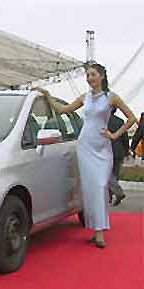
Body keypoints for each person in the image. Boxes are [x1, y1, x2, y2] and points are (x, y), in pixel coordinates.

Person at [33, 63, 136, 248]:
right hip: (85, 146)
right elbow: (63, 110)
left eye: (93, 74)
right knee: (91, 189)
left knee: (101, 185)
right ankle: (98, 232)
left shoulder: (111, 97)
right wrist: (47, 97)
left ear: (102, 76)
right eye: (87, 75)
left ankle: (99, 228)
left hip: (103, 148)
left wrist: (114, 135)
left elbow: (131, 118)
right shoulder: (84, 97)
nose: (89, 78)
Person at [108, 107, 129, 206]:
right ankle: (110, 195)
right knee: (114, 175)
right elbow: (125, 137)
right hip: (119, 151)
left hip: (106, 150)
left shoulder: (101, 121)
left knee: (106, 174)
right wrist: (127, 150)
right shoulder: (120, 121)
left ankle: (116, 193)